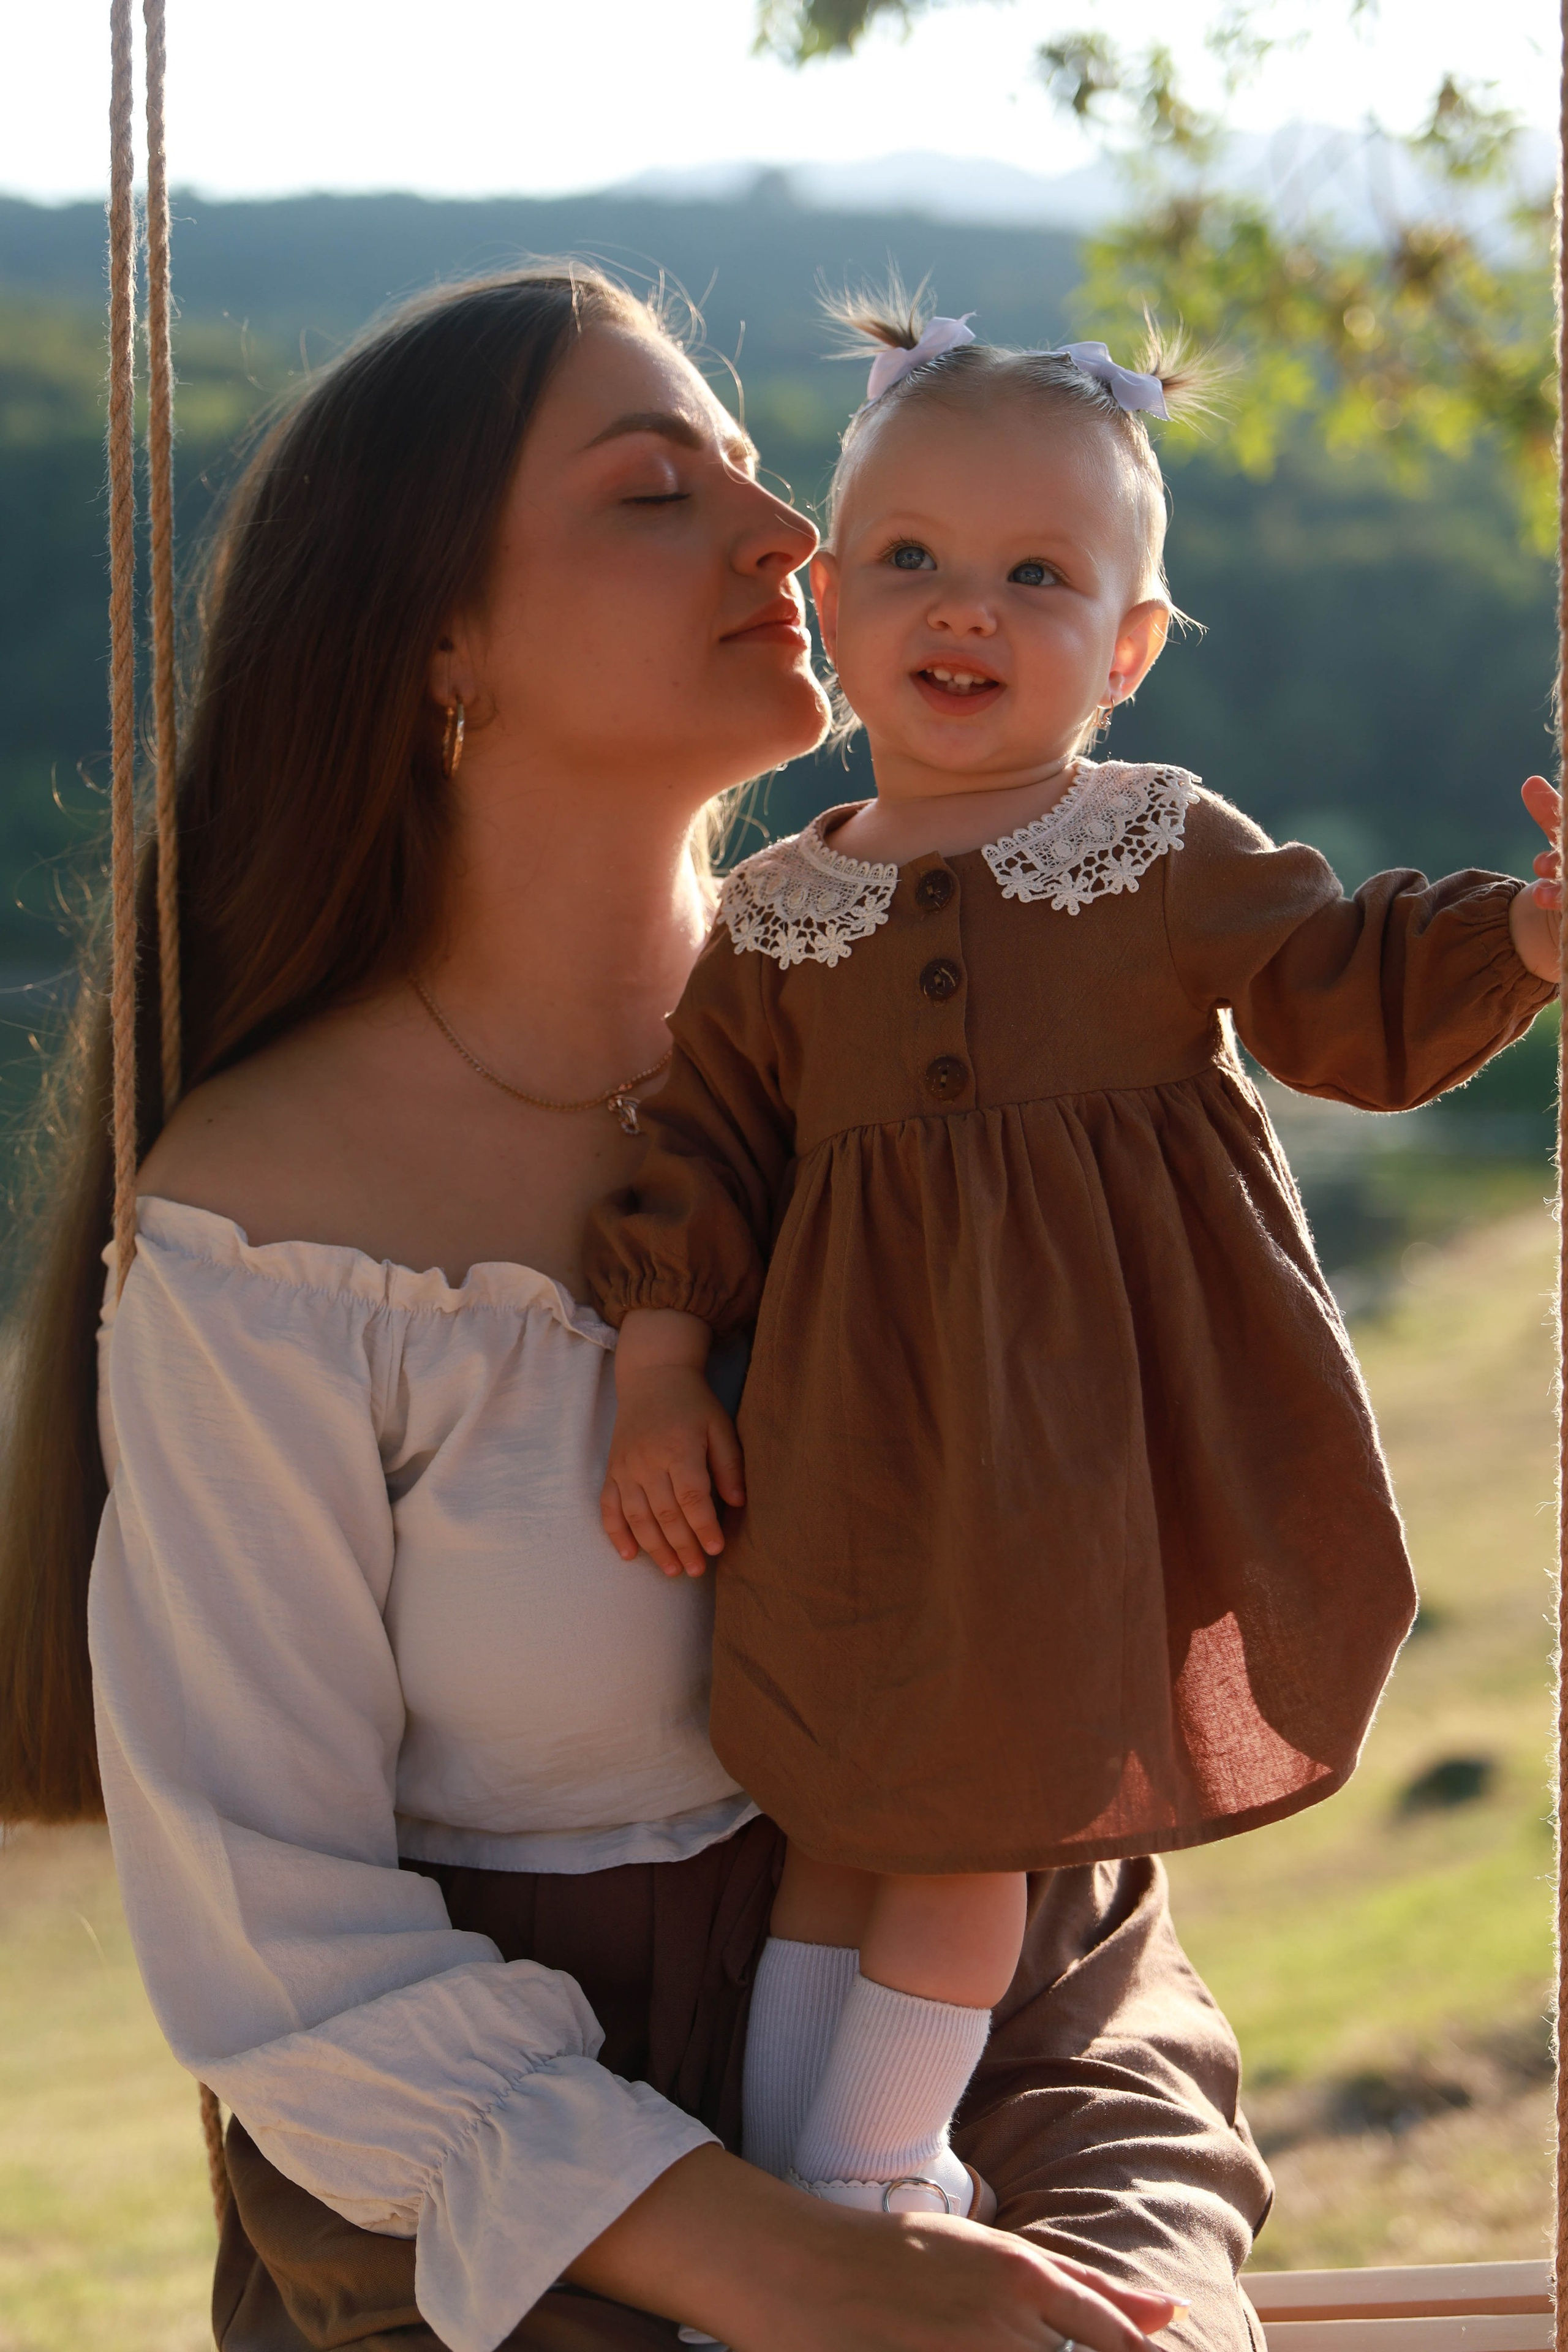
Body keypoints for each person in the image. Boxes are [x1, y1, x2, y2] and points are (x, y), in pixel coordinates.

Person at [0, 267, 1272, 2352]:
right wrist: (789, 2268)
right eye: (656, 491)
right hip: (489, 2248)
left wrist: (1128, 2275)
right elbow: (281, 1945)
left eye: (770, 483)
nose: (792, 541)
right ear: (439, 639)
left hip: (994, 2104)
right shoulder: (268, 1232)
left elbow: (1081, 1869)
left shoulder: (946, 1089)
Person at [589, 293, 1562, 2225]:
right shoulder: (783, 915)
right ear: (837, 606)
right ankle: (798, 2196)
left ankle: (865, 2199)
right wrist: (649, 1375)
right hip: (857, 1465)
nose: (967, 608)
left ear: (1122, 650)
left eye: (1038, 575)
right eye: (914, 562)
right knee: (840, 1827)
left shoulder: (1148, 844)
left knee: (960, 1831)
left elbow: (1335, 981)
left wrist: (1520, 943)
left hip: (1073, 1452)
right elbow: (694, 1155)